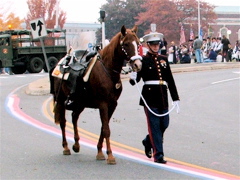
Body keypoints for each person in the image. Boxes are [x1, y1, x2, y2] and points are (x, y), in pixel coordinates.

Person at [129, 32, 180, 164]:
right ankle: (158, 155)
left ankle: (148, 141)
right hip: (150, 97)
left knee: (165, 123)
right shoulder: (143, 60)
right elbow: (135, 81)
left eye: (157, 44)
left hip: (163, 96)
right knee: (155, 126)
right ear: (148, 45)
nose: (156, 47)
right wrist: (133, 75)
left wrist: (175, 98)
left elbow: (170, 80)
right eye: (153, 44)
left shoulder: (164, 59)